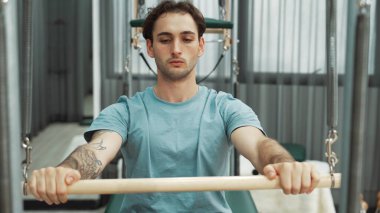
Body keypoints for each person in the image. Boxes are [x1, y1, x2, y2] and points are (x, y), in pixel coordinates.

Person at [28, 1, 320, 212]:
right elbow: (96, 152)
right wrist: (65, 171)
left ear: (201, 46)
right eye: (165, 40)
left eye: (187, 38)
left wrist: (284, 165)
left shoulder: (225, 108)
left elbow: (259, 148)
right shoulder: (126, 111)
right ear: (151, 47)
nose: (177, 49)